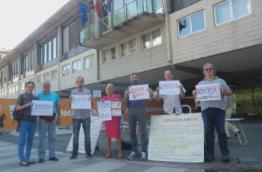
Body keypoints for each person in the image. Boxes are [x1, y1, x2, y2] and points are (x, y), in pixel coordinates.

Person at [192, 63, 231, 163]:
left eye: (210, 69)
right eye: (206, 70)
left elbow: (229, 92)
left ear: (214, 70)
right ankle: (210, 155)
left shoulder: (221, 81)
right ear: (204, 72)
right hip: (206, 110)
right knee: (208, 133)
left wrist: (223, 91)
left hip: (219, 110)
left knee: (222, 132)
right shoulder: (200, 84)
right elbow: (197, 100)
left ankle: (225, 154)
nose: (208, 71)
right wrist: (194, 94)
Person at [124, 73, 151, 161]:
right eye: (133, 77)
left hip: (141, 109)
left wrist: (149, 92)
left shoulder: (142, 87)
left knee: (143, 131)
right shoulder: (128, 89)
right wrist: (126, 95)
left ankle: (143, 151)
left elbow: (148, 99)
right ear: (130, 79)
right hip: (131, 109)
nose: (134, 79)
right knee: (132, 131)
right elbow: (126, 102)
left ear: (138, 78)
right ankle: (134, 150)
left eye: (136, 77)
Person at [37, 81, 60, 163]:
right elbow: (36, 107)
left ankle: (52, 155)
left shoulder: (55, 95)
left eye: (48, 85)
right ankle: (41, 157)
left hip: (52, 118)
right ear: (43, 86)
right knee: (42, 138)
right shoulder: (38, 95)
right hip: (42, 119)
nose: (46, 86)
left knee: (52, 137)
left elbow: (57, 106)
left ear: (50, 86)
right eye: (45, 85)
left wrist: (59, 117)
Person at [70, 76, 92, 159]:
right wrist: (70, 100)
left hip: (86, 116)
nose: (80, 83)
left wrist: (91, 100)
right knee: (75, 136)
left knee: (87, 136)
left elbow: (91, 104)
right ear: (76, 83)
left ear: (83, 82)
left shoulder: (88, 91)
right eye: (78, 81)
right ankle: (74, 154)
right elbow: (70, 105)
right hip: (76, 117)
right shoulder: (73, 92)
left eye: (81, 81)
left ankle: (88, 153)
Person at [16, 81, 37, 166]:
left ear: (33, 88)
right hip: (24, 121)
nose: (30, 88)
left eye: (32, 86)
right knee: (22, 141)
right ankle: (22, 159)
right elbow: (17, 108)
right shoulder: (21, 96)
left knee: (30, 141)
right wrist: (27, 105)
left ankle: (27, 158)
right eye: (29, 86)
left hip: (33, 122)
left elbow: (38, 109)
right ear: (25, 87)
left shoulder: (35, 97)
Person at [101, 83, 122, 159]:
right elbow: (101, 110)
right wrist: (101, 104)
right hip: (108, 120)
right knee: (108, 136)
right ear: (105, 90)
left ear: (113, 89)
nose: (108, 90)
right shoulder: (104, 98)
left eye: (110, 89)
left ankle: (120, 152)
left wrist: (120, 102)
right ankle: (109, 151)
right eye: (107, 89)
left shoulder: (117, 97)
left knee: (117, 136)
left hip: (115, 119)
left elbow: (122, 106)